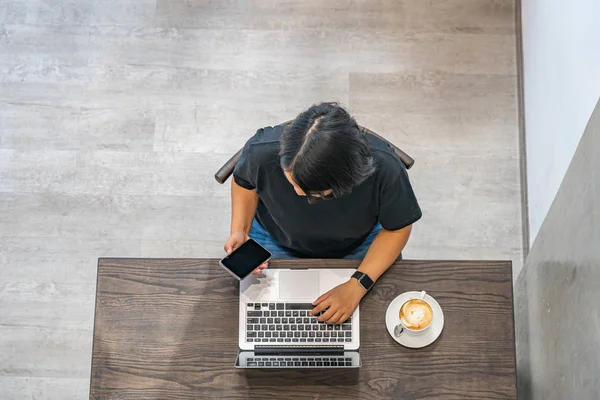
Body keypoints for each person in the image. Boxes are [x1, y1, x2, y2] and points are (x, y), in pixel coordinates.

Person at [223, 102, 422, 324]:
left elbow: (397, 228)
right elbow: (244, 182)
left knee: (375, 317)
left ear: (347, 180)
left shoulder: (384, 168)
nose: (298, 192)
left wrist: (358, 284)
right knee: (261, 315)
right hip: (275, 235)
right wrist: (240, 230)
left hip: (357, 243)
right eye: (291, 181)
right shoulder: (261, 150)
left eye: (314, 192)